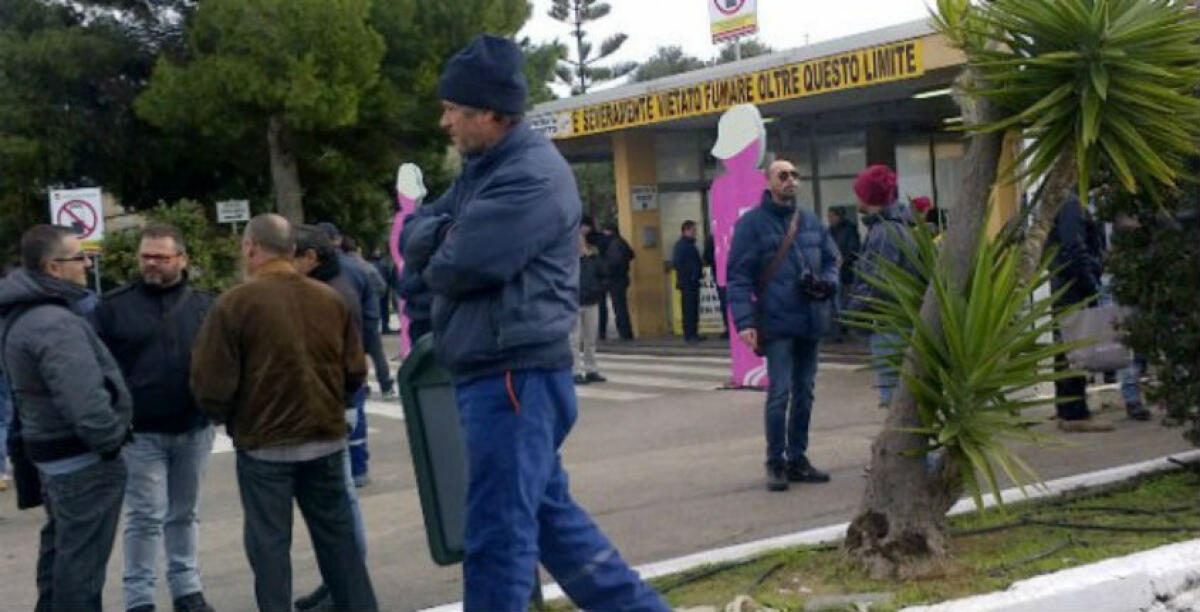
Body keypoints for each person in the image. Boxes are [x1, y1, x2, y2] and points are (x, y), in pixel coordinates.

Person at [401, 34, 668, 612]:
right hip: (503, 373)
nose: (444, 121)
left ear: (492, 114)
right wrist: (437, 236)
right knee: (555, 527)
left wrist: (438, 241)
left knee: (498, 537)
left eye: (454, 109)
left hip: (512, 378)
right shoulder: (483, 168)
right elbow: (418, 232)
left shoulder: (530, 175)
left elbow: (457, 265)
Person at [190, 214, 377, 612]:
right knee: (339, 545)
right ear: (292, 251)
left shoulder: (234, 305)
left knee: (270, 549)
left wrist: (229, 417)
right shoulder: (329, 299)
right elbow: (355, 370)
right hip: (325, 437)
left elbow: (210, 384)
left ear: (251, 248)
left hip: (264, 445)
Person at [0, 225, 133, 612]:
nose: (87, 263)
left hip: (53, 454)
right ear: (54, 268)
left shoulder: (27, 311)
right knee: (81, 564)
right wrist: (111, 440)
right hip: (81, 460)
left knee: (62, 548)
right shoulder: (53, 323)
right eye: (79, 257)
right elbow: (84, 400)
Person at [92, 224, 217, 612]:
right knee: (145, 516)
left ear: (181, 259)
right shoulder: (112, 307)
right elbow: (98, 367)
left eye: (161, 257)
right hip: (140, 434)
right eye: (146, 256)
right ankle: (140, 598)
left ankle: (187, 589)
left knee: (184, 512)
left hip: (194, 428)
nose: (151, 264)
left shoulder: (206, 306)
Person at [727, 160, 839, 492]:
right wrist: (745, 321)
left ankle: (797, 459)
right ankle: (775, 462)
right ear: (769, 182)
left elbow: (832, 258)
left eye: (795, 175)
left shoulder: (810, 220)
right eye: (783, 176)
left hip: (810, 319)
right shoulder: (751, 224)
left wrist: (827, 283)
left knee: (805, 393)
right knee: (780, 393)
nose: (791, 180)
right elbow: (737, 277)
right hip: (776, 323)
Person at [291, 224, 370, 612]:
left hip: (335, 402)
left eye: (292, 255)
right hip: (340, 398)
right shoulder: (340, 281)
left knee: (340, 497)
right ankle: (338, 582)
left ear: (310, 258)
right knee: (339, 497)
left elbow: (342, 354)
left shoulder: (329, 292)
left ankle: (346, 583)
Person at [846, 165, 919, 409]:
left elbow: (875, 280)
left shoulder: (883, 233)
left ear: (868, 197)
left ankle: (905, 447)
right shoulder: (902, 227)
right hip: (901, 320)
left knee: (894, 397)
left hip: (888, 323)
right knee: (905, 395)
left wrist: (853, 312)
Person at [1046, 196, 1115, 432]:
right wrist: (1090, 282)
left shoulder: (1067, 203)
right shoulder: (1071, 205)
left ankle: (1067, 407)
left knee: (1066, 349)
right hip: (1072, 285)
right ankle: (1074, 412)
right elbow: (1073, 248)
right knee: (1074, 349)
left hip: (1065, 284)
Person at [573, 217, 607, 385]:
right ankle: (575, 371)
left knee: (590, 339)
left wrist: (599, 291)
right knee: (574, 340)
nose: (579, 246)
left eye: (580, 243)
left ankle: (591, 369)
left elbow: (603, 275)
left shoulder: (593, 260)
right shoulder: (568, 263)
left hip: (592, 301)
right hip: (574, 303)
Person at [826, 208, 861, 343]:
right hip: (834, 273)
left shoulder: (849, 231)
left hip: (846, 273)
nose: (829, 219)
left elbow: (853, 250)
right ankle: (838, 331)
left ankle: (845, 329)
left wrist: (842, 261)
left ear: (838, 216)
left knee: (844, 302)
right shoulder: (829, 231)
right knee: (836, 303)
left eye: (831, 216)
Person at [602, 223, 635, 341]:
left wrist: (606, 269)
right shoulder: (621, 242)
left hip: (615, 279)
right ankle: (626, 332)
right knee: (621, 306)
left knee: (619, 307)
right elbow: (631, 254)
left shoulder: (614, 244)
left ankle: (624, 333)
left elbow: (614, 263)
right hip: (622, 278)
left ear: (610, 232)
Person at [672, 220, 704, 343]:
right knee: (689, 309)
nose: (695, 233)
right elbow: (678, 264)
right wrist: (690, 275)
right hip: (687, 282)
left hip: (692, 281)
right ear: (686, 231)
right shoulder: (682, 245)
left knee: (694, 308)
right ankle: (690, 334)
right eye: (693, 230)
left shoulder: (689, 244)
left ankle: (693, 333)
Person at [704, 233, 731, 339]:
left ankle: (728, 328)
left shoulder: (712, 238)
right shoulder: (732, 233)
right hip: (730, 274)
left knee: (724, 303)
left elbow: (707, 257)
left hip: (720, 274)